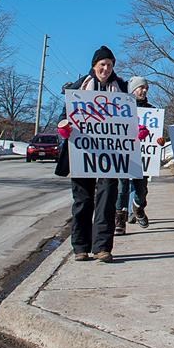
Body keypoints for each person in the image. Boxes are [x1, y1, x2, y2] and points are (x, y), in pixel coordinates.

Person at [56, 46, 129, 264]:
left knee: (106, 200)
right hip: (82, 152)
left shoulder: (122, 89)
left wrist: (138, 130)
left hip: (111, 154)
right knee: (83, 201)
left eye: (109, 65)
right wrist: (64, 127)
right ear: (94, 66)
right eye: (102, 65)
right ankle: (80, 246)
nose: (106, 69)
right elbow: (64, 116)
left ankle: (102, 248)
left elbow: (131, 119)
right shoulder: (79, 87)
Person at [115, 76, 153, 234]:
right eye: (140, 87)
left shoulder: (152, 110)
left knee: (141, 190)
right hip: (124, 155)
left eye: (146, 88)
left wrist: (159, 140)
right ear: (132, 90)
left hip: (143, 157)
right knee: (121, 189)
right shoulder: (121, 109)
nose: (143, 90)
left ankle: (138, 208)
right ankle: (120, 220)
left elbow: (155, 136)